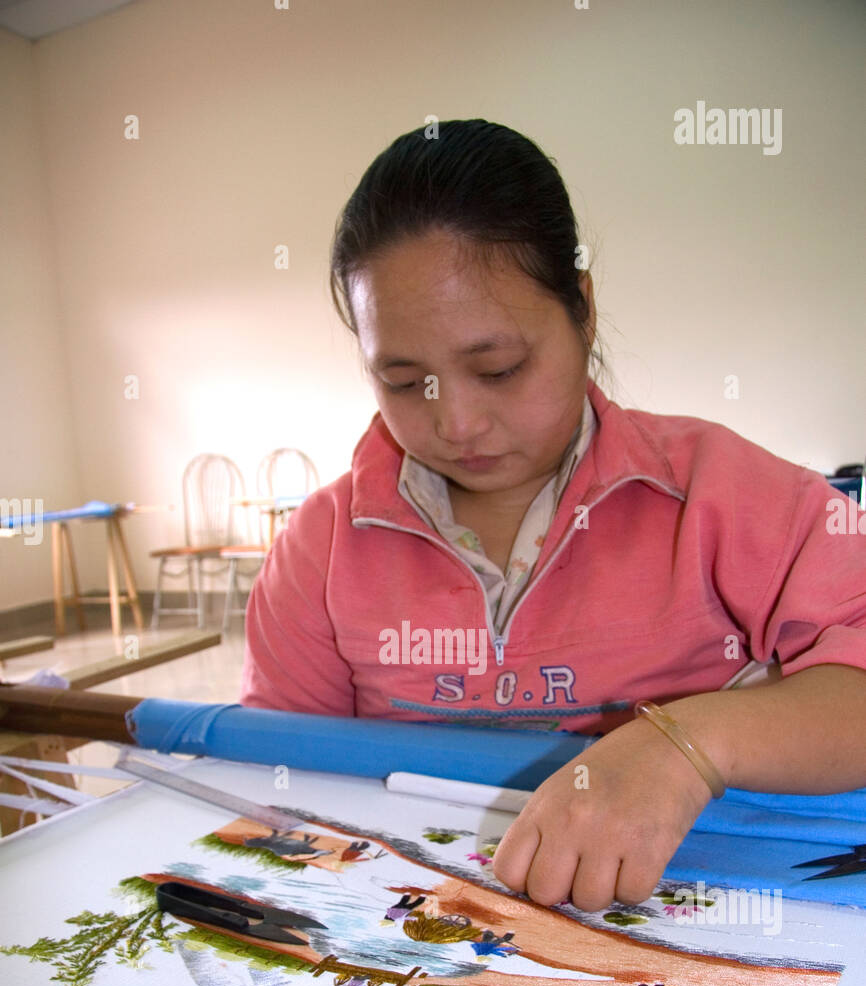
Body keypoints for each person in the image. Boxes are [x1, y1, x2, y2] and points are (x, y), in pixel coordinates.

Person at [240, 119, 866, 914]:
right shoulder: (320, 550)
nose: (458, 422)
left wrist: (691, 745)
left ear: (584, 310)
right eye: (404, 382)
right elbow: (272, 775)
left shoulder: (717, 494)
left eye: (498, 367)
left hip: (688, 914)